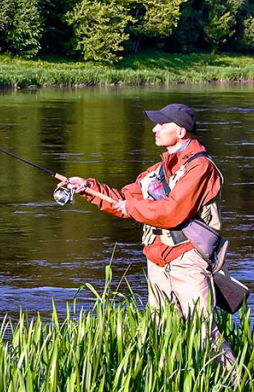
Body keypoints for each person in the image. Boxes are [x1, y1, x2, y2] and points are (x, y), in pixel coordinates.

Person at [58, 103, 236, 369]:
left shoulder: (200, 169)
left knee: (203, 334)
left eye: (162, 125)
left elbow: (173, 211)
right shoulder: (157, 171)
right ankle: (176, 386)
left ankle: (233, 391)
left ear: (181, 131)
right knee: (163, 331)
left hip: (188, 259)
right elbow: (123, 200)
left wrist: (131, 207)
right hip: (157, 260)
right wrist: (87, 187)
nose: (155, 129)